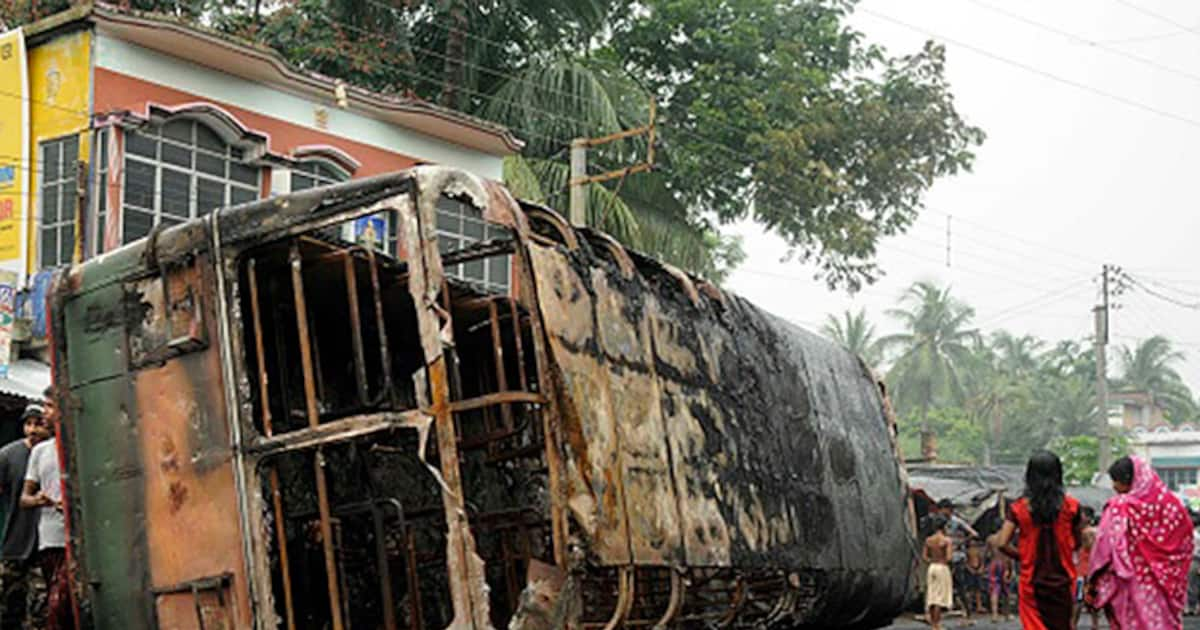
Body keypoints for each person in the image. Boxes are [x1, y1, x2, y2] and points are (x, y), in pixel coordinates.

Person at [1089, 455, 1193, 630]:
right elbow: (1185, 540)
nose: (1114, 487)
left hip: (1130, 585)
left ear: (1129, 480)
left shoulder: (1119, 506)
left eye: (1117, 481)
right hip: (1165, 586)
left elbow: (1104, 547)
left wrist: (1093, 578)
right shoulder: (1172, 505)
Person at [991, 450, 1081, 630]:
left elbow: (1001, 543)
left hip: (1032, 580)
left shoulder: (1018, 508)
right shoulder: (1071, 507)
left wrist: (1023, 555)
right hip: (1063, 580)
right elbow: (1077, 541)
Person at [21, 396, 72, 630]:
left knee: (58, 605)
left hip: (74, 541)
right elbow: (24, 498)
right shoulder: (40, 452)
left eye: (50, 406)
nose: (45, 412)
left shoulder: (80, 444)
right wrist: (39, 500)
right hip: (48, 540)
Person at [0, 405, 49, 629]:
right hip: (14, 543)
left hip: (44, 545)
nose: (32, 430)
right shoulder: (8, 456)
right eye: (28, 424)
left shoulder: (53, 455)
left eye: (38, 424)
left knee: (40, 613)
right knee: (8, 609)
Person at [923, 514, 953, 630]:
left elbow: (925, 557)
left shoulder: (928, 540)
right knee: (939, 598)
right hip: (942, 567)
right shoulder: (946, 540)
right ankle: (937, 625)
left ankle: (933, 624)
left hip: (932, 567)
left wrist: (933, 560)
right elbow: (949, 557)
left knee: (931, 596)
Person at [1073, 505, 1100, 630]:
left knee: (1079, 599)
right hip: (1092, 569)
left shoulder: (1086, 532)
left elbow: (1089, 546)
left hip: (1084, 570)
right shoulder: (1096, 531)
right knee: (1092, 599)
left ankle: (1073, 624)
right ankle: (1095, 624)